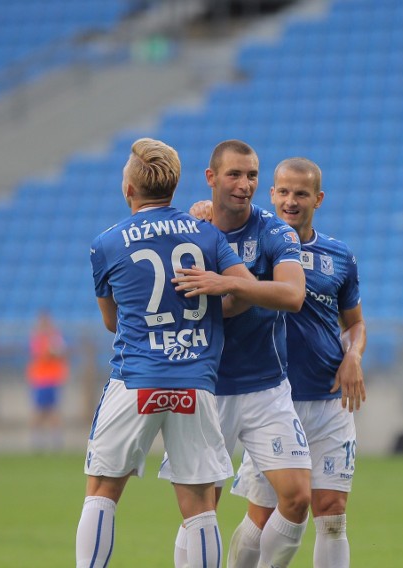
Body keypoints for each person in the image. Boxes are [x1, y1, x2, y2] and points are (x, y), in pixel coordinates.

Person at [76, 137, 256, 568]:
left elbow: (111, 321)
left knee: (103, 490)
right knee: (200, 506)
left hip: (136, 379)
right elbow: (247, 290)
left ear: (130, 189)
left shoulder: (107, 243)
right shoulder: (207, 235)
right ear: (174, 188)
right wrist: (213, 312)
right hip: (194, 383)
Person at [207, 157, 366, 567]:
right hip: (276, 399)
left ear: (319, 198)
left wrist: (353, 356)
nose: (290, 201)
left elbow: (355, 323)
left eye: (301, 193)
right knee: (263, 514)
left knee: (331, 512)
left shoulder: (340, 256)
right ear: (272, 194)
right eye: (283, 191)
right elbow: (218, 211)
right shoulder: (257, 242)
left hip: (330, 400)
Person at [162, 140, 310, 568]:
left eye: (251, 176)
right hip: (207, 389)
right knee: (201, 508)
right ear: (211, 179)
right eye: (234, 175)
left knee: (298, 497)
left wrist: (229, 284)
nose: (245, 185)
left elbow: (293, 294)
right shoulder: (189, 232)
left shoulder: (273, 231)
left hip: (266, 387)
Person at [27, 310, 69, 451]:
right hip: (41, 379)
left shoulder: (55, 337)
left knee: (53, 411)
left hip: (53, 378)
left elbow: (61, 352)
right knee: (39, 411)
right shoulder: (38, 338)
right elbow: (45, 354)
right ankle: (37, 441)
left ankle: (56, 441)